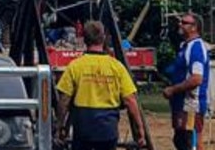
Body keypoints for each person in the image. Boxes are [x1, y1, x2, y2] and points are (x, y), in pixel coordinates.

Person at [56, 21, 147, 150]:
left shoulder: (75, 66)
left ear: (84, 39)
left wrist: (60, 126)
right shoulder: (117, 67)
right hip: (107, 129)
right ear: (104, 38)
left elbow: (64, 100)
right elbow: (130, 100)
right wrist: (140, 129)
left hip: (83, 128)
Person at [163, 13, 210, 150]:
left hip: (191, 105)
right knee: (181, 140)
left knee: (190, 143)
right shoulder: (185, 46)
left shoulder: (195, 48)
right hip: (181, 104)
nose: (180, 24)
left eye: (184, 22)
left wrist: (173, 89)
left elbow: (196, 78)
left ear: (194, 27)